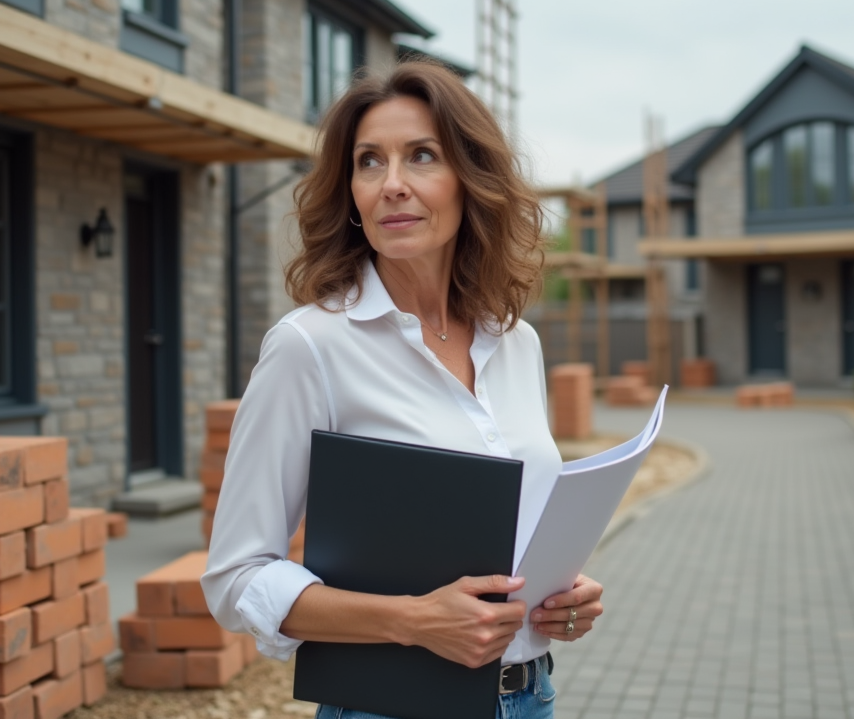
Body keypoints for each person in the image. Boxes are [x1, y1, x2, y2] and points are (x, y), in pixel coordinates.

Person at [201, 60, 603, 719]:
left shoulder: (515, 343)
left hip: (530, 698)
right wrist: (412, 620)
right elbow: (235, 578)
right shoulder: (311, 346)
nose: (392, 185)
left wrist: (562, 598)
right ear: (350, 192)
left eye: (421, 156)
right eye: (368, 162)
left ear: (470, 181)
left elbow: (517, 540)